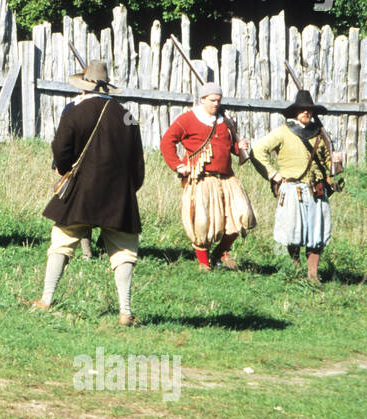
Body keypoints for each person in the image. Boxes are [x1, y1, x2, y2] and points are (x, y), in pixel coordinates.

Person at [34, 60, 145, 326]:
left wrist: (64, 171)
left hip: (81, 190)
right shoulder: (128, 115)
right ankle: (126, 312)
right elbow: (137, 160)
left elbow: (61, 152)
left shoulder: (74, 113)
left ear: (84, 87)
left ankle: (46, 301)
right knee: (125, 251)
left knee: (61, 240)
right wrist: (131, 188)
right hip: (119, 194)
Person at [160, 82, 257, 271]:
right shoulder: (187, 119)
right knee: (202, 222)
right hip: (201, 178)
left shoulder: (226, 121)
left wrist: (240, 147)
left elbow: (231, 148)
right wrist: (178, 166)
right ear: (202, 99)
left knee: (243, 215)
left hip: (227, 178)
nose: (216, 104)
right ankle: (204, 264)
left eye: (218, 100)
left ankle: (221, 252)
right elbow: (167, 142)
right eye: (212, 100)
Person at [250, 90, 341, 282]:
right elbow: (258, 150)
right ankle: (294, 270)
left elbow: (327, 162)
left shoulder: (319, 134)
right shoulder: (283, 132)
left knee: (317, 233)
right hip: (292, 189)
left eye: (309, 110)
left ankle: (313, 275)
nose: (306, 113)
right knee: (293, 232)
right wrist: (273, 174)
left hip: (317, 189)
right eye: (302, 110)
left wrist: (335, 160)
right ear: (295, 112)